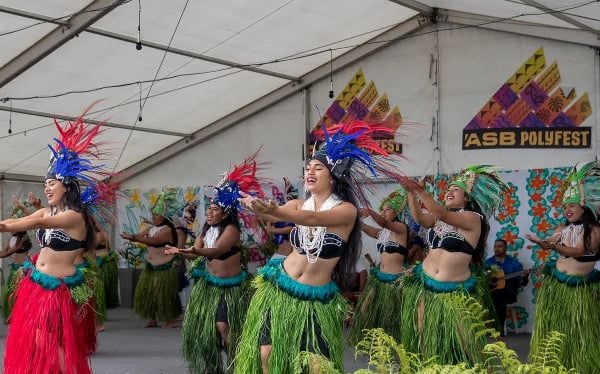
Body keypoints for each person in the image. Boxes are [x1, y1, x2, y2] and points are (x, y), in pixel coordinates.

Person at [235, 121, 403, 374]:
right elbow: (274, 217)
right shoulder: (297, 204)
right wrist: (257, 206)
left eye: (318, 168)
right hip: (280, 287)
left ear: (333, 177)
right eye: (308, 168)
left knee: (317, 366)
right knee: (267, 354)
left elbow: (312, 219)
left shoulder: (345, 210)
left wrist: (275, 210)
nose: (310, 172)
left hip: (316, 298)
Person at [0, 113, 107, 374]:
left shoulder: (74, 216)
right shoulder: (48, 212)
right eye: (45, 184)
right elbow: (19, 220)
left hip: (59, 290)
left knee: (46, 338)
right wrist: (2, 225)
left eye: (52, 184)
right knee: (38, 338)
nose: (47, 189)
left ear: (66, 186)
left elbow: (34, 225)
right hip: (37, 284)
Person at [166, 153, 264, 374]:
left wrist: (188, 249)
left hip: (230, 288)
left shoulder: (231, 231)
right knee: (207, 332)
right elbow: (196, 255)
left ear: (225, 213)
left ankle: (237, 363)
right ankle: (213, 368)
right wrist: (181, 252)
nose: (209, 212)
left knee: (224, 327)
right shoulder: (206, 230)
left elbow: (215, 250)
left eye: (214, 209)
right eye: (208, 208)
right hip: (209, 287)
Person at [401, 165, 508, 366]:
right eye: (448, 188)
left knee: (465, 341)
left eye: (455, 190)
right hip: (426, 284)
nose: (449, 191)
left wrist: (420, 191)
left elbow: (441, 214)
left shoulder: (472, 218)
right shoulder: (438, 219)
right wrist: (411, 193)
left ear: (466, 198)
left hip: (455, 291)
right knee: (423, 335)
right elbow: (420, 219)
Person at [527, 161, 600, 373]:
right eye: (565, 206)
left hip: (579, 290)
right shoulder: (562, 227)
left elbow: (578, 251)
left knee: (579, 332)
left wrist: (554, 246)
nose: (567, 209)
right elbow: (551, 240)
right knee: (555, 331)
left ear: (584, 206)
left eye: (571, 206)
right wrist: (542, 242)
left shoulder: (595, 231)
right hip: (556, 286)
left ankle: (580, 367)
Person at [349, 188, 411, 345]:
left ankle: (396, 343)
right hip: (379, 279)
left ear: (397, 212)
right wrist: (354, 219)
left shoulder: (401, 229)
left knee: (393, 314)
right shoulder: (382, 233)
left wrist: (370, 211)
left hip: (396, 281)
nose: (383, 213)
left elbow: (383, 222)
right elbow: (368, 228)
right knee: (365, 309)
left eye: (387, 209)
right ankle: (373, 341)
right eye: (381, 210)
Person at [121, 189, 181, 328]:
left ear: (163, 217)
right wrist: (131, 236)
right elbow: (139, 235)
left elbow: (154, 241)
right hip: (151, 265)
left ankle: (170, 319)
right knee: (149, 292)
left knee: (165, 293)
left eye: (156, 215)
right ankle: (152, 318)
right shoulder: (151, 228)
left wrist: (134, 238)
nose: (153, 217)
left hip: (165, 265)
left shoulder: (166, 230)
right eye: (153, 214)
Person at [484, 238, 525, 336]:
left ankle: (498, 328)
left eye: (500, 246)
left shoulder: (514, 264)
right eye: (495, 246)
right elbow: (482, 278)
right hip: (491, 292)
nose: (497, 249)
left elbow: (522, 283)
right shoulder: (487, 263)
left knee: (498, 295)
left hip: (509, 293)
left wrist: (524, 277)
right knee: (491, 295)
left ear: (505, 248)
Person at [0, 204, 33, 323]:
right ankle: (13, 315)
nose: (11, 228)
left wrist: (12, 250)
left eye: (14, 226)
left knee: (19, 294)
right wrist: (11, 250)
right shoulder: (11, 240)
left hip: (23, 269)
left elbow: (7, 253)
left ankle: (20, 316)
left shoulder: (23, 239)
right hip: (15, 269)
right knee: (11, 293)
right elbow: (3, 253)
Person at [265, 177, 298, 260]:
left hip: (288, 257)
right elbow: (268, 229)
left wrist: (273, 230)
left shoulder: (294, 213)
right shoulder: (276, 216)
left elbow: (291, 229)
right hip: (279, 255)